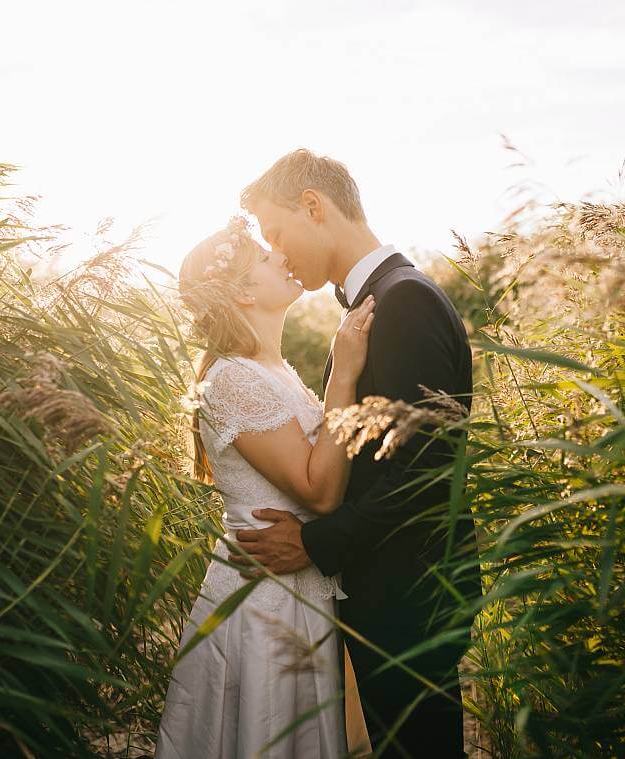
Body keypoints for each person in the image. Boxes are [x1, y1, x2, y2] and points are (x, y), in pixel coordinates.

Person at [231, 149, 480, 758]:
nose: (279, 254)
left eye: (277, 234)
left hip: (408, 590)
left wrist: (314, 543)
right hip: (389, 584)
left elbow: (421, 474)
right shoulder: (386, 299)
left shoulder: (405, 302)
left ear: (314, 207)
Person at [156, 215, 375, 758]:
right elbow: (319, 491)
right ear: (245, 290)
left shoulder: (270, 370)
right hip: (264, 599)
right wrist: (344, 376)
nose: (282, 254)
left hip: (297, 584)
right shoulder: (232, 379)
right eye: (265, 253)